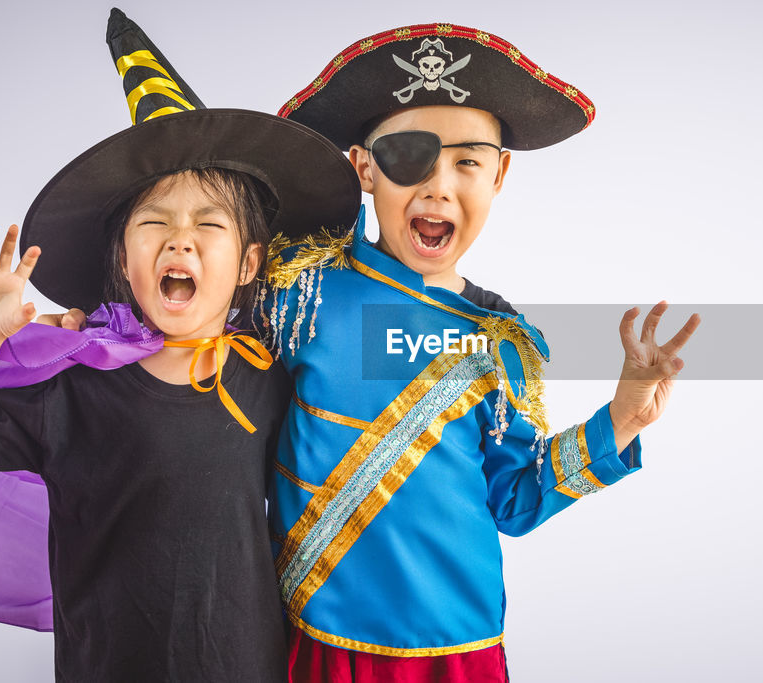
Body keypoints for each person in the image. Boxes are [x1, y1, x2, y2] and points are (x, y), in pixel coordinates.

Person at [0, 11, 361, 679]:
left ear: (247, 264)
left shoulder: (270, 373)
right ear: (125, 262)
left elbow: (347, 442)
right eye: (155, 222)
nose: (179, 239)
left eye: (207, 224)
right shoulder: (77, 379)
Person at [260, 23, 702, 681]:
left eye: (467, 161)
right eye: (410, 156)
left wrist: (623, 419)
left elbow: (516, 502)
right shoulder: (301, 292)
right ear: (364, 168)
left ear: (500, 174)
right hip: (316, 635)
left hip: (456, 651)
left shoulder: (501, 342)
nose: (439, 186)